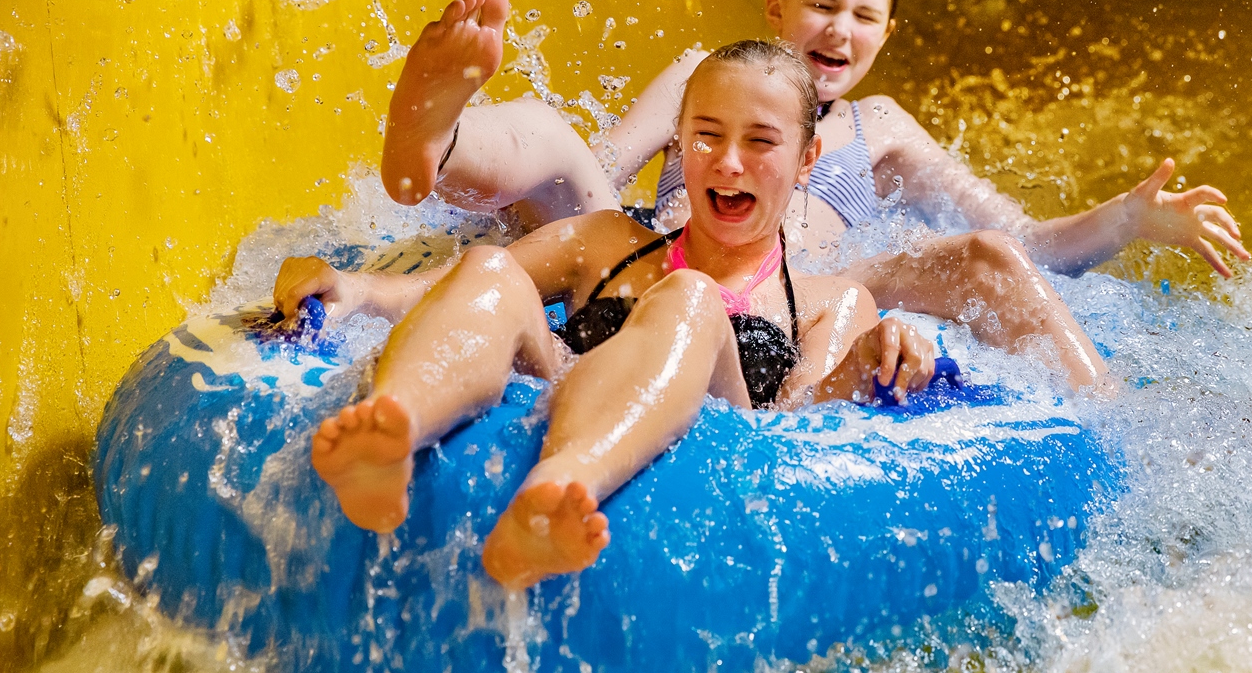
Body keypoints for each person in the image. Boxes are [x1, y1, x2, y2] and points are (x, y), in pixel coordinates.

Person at [276, 41, 1108, 590]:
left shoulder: (832, 301)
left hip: (714, 450)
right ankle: (395, 428)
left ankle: (560, 489)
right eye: (705, 135)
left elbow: (794, 434)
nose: (729, 161)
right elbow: (463, 288)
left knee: (690, 303)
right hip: (566, 384)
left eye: (760, 141)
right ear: (679, 145)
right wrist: (354, 290)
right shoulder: (605, 241)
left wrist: (873, 359)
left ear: (808, 158)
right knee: (496, 265)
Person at [377, 0, 1248, 382]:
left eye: (864, 16)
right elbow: (599, 165)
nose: (840, 29)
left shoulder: (884, 130)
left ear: (886, 34)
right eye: (822, 5)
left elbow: (1034, 244)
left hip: (790, 296)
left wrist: (1131, 218)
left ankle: (1104, 412)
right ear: (776, 6)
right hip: (658, 253)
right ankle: (439, 139)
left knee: (978, 257)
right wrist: (557, 224)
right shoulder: (704, 76)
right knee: (555, 141)